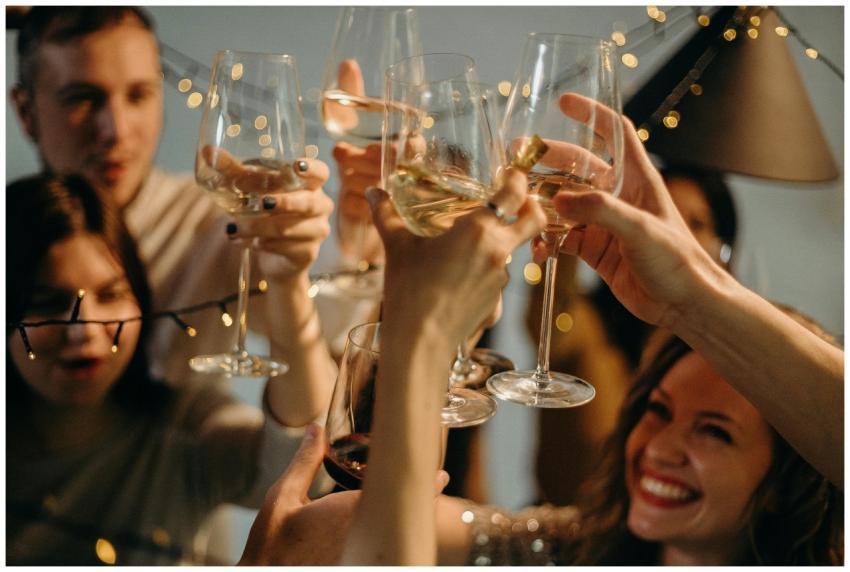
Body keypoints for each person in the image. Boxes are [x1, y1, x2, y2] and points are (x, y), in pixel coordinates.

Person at [236, 92, 843, 566]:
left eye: (715, 433)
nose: (659, 447)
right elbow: (365, 536)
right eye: (655, 411)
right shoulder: (568, 548)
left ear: (789, 482)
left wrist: (423, 331)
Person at [5, 174, 332, 565]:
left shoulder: (185, 429)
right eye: (48, 301)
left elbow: (302, 470)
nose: (83, 329)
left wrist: (288, 281)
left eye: (110, 295)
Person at [10, 6, 337, 389]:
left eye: (138, 95)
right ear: (25, 111)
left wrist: (338, 242)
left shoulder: (218, 222)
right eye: (83, 98)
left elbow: (335, 330)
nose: (116, 129)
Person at [530, 164, 739, 505]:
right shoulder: (588, 325)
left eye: (696, 224)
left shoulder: (723, 364)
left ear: (724, 251)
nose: (672, 236)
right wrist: (564, 224)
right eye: (657, 216)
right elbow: (553, 325)